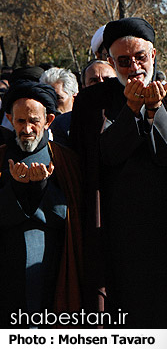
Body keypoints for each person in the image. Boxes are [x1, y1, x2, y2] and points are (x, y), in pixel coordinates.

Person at [69, 17, 167, 327]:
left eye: (140, 57)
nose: (134, 67)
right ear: (111, 62)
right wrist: (130, 110)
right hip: (112, 231)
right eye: (123, 61)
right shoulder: (91, 102)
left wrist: (154, 111)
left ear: (153, 55)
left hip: (165, 232)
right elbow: (104, 155)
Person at [0, 80, 83, 326]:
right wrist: (15, 187)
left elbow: (71, 216)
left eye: (33, 121)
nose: (27, 129)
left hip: (54, 264)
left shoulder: (65, 159)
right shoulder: (1, 156)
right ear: (9, 119)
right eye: (20, 121)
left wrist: (42, 187)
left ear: (48, 121)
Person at [40, 67, 79, 147]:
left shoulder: (83, 128)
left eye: (58, 98)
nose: (51, 104)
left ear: (74, 97)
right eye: (46, 98)